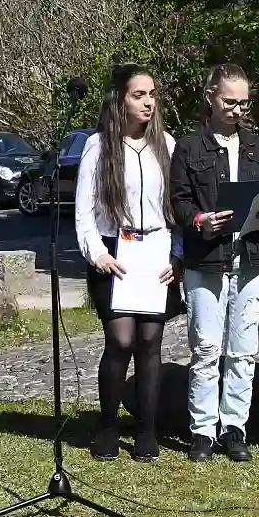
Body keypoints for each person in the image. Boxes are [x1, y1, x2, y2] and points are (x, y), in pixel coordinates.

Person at [169, 63, 259, 463]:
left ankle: (235, 427)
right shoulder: (189, 147)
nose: (236, 110)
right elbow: (178, 202)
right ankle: (202, 430)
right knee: (206, 347)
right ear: (210, 96)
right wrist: (199, 221)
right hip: (206, 259)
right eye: (229, 102)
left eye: (243, 103)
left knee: (243, 349)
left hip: (250, 257)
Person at [75, 63, 180, 463]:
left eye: (152, 94)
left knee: (150, 342)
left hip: (156, 250)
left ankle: (147, 431)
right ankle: (107, 426)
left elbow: (178, 206)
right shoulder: (99, 148)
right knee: (120, 340)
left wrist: (178, 257)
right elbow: (84, 212)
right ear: (120, 100)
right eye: (139, 95)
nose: (148, 102)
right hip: (114, 251)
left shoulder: (166, 146)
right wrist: (96, 254)